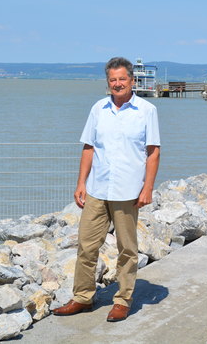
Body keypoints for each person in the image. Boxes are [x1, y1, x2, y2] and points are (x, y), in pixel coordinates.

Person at [52, 57, 161, 321]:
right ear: (107, 82)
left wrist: (148, 188)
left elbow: (153, 152)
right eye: (113, 80)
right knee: (86, 246)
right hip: (97, 189)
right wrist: (81, 183)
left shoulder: (147, 110)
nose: (117, 83)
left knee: (127, 248)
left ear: (132, 80)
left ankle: (123, 300)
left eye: (122, 78)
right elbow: (88, 148)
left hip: (128, 191)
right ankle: (82, 297)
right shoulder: (98, 109)